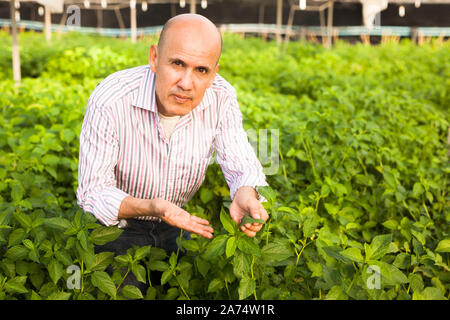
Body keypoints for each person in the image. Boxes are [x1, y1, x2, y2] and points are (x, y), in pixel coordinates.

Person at [76, 14, 269, 293]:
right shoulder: (112, 98)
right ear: (154, 58)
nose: (186, 83)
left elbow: (240, 160)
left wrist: (245, 193)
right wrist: (154, 206)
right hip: (116, 224)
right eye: (177, 63)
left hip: (179, 221)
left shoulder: (221, 96)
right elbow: (92, 192)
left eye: (201, 70)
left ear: (214, 73)